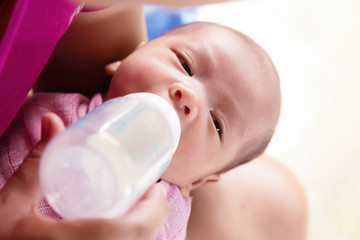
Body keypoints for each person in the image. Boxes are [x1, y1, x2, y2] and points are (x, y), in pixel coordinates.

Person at [1, 21, 282, 239]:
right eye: (185, 64)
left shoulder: (162, 220)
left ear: (197, 181)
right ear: (129, 57)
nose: (189, 97)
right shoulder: (47, 110)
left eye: (217, 124)